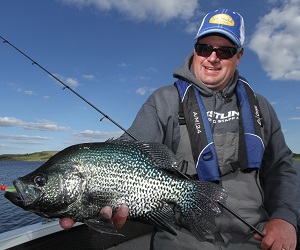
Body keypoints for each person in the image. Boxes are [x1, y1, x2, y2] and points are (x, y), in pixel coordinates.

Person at [60, 9, 299, 250]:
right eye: (204, 48)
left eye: (225, 51)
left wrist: (285, 217)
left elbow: (280, 167)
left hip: (253, 234)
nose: (213, 57)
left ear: (239, 56)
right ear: (195, 50)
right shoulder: (164, 101)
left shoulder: (260, 107)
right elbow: (127, 153)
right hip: (181, 235)